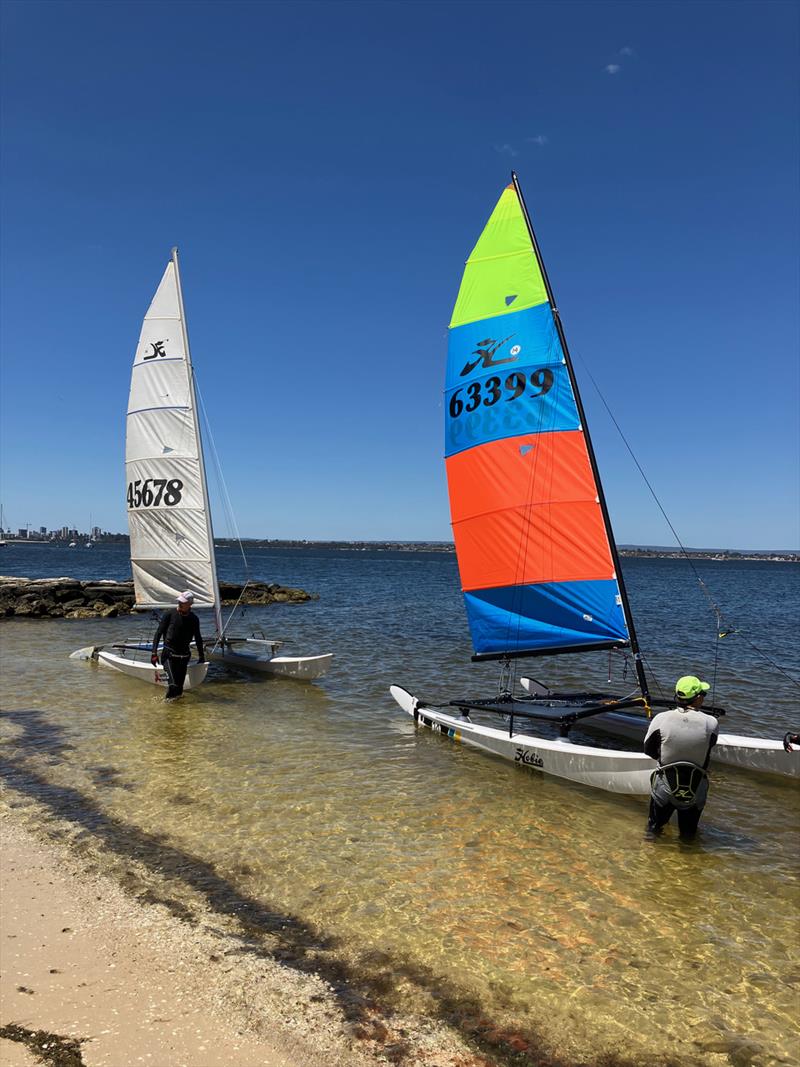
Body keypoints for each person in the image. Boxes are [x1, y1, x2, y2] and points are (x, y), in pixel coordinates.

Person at [643, 675, 719, 838]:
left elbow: (648, 750)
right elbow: (708, 747)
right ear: (698, 698)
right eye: (703, 695)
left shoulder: (660, 719)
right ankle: (688, 860)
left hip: (664, 787)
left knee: (653, 830)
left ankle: (648, 856)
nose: (703, 698)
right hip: (695, 788)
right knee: (688, 835)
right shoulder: (711, 723)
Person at [151, 590, 205, 700]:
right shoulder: (169, 614)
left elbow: (198, 638)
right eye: (179, 601)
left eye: (182, 602)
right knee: (172, 686)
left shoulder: (194, 619)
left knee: (179, 690)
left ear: (190, 604)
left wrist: (201, 656)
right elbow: (158, 633)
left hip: (184, 657)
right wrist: (154, 653)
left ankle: (178, 713)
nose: (179, 603)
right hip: (168, 656)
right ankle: (165, 711)